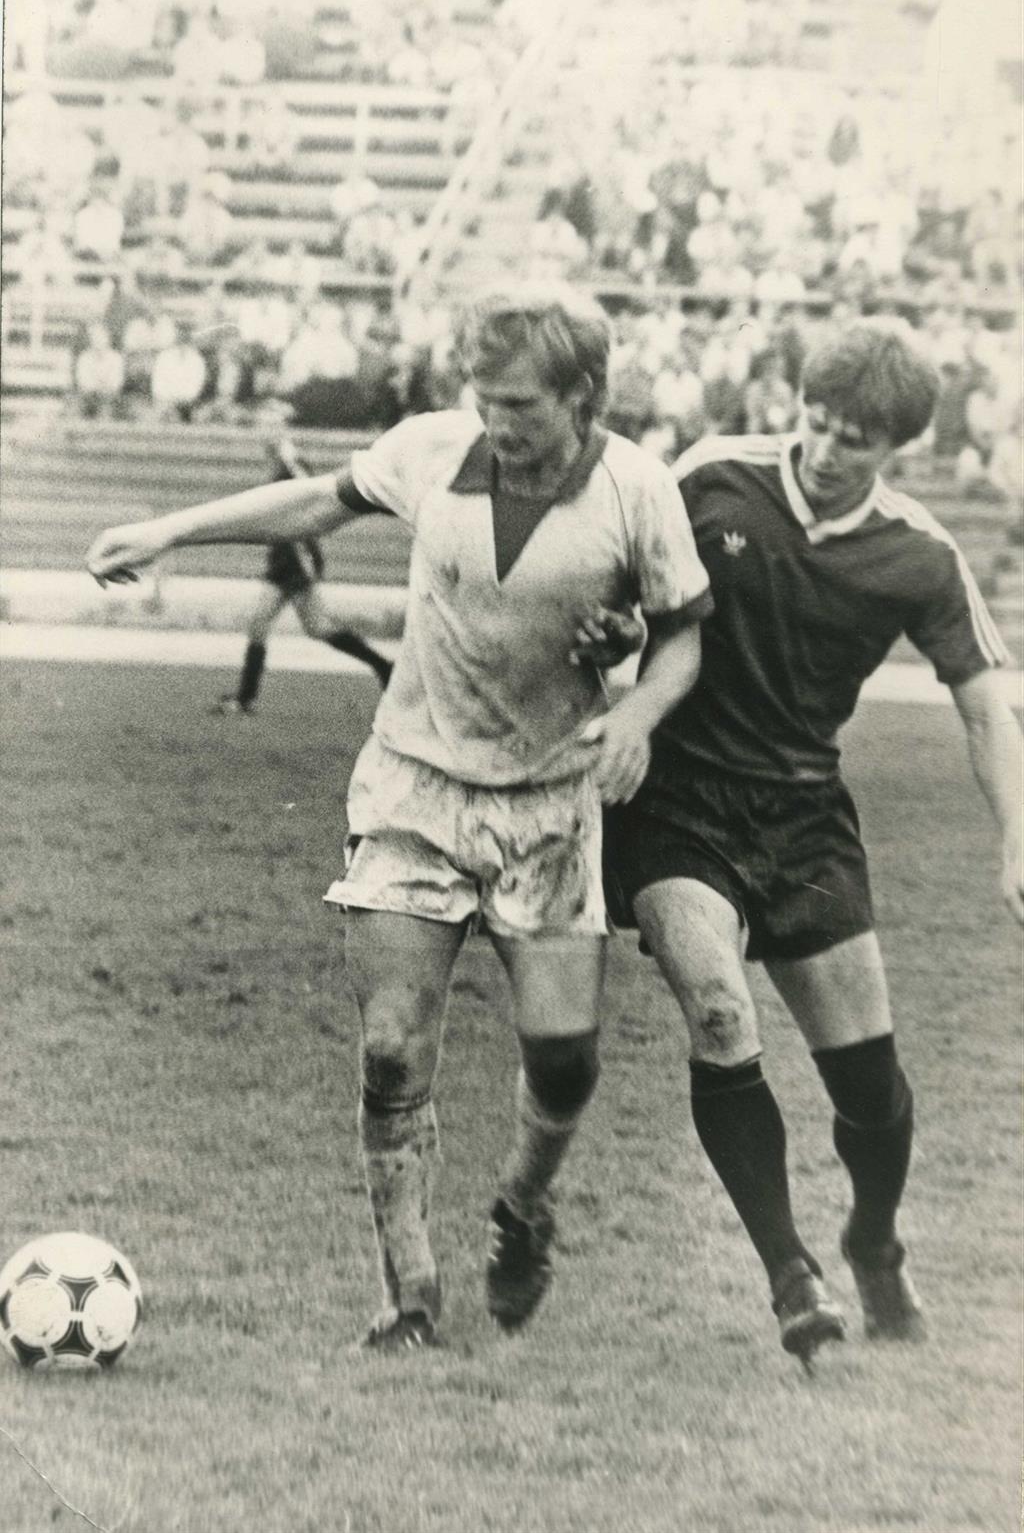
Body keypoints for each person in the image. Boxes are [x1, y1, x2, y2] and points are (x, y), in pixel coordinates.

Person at [87, 283, 714, 1350]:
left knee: (564, 1059)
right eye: (483, 397)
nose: (497, 421)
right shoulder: (433, 449)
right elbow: (316, 502)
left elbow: (682, 634)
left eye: (520, 404)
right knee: (389, 1047)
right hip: (412, 787)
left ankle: (522, 1206)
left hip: (549, 805)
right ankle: (409, 1294)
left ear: (582, 395)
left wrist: (639, 713)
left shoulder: (636, 489)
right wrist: (171, 530)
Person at [591, 316, 1023, 1369]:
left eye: (854, 440)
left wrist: (1018, 840)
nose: (825, 449)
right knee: (719, 1010)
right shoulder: (712, 476)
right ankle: (791, 1275)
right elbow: (617, 585)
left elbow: (985, 706)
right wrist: (613, 642)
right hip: (678, 802)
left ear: (897, 447)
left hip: (803, 817)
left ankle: (872, 1240)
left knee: (868, 1090)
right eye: (815, 422)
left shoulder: (920, 554)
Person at [213, 437, 393, 715]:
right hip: (282, 560)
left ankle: (245, 699)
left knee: (294, 626)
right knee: (307, 627)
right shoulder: (280, 476)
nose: (271, 457)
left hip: (295, 561)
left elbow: (309, 489)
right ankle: (384, 667)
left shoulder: (294, 470)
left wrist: (290, 458)